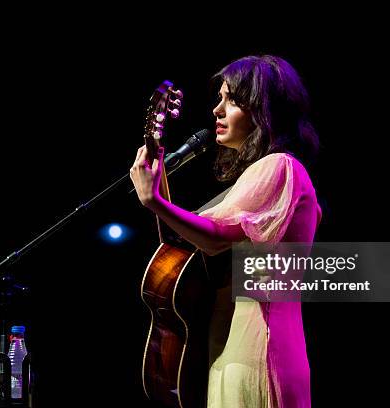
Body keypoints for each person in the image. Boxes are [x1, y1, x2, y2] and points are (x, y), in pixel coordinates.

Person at [130, 55, 321, 408]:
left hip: (259, 349)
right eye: (219, 98)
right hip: (231, 348)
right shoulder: (257, 177)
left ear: (263, 109)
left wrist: (154, 201)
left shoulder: (280, 166)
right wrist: (160, 192)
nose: (216, 110)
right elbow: (183, 245)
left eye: (231, 100)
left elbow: (216, 238)